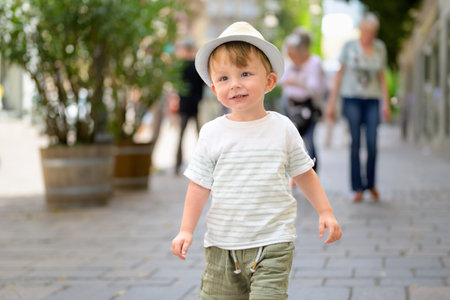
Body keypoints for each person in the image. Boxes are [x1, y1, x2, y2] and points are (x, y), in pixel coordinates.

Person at [171, 21, 342, 300]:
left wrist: (325, 211)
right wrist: (186, 230)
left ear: (269, 81)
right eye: (224, 78)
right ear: (214, 89)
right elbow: (199, 185)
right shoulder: (212, 133)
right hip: (222, 247)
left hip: (273, 242)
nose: (235, 84)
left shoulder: (283, 128)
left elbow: (304, 173)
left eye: (245, 73)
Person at [326, 13, 391, 203]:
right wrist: (332, 103)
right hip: (351, 99)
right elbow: (338, 75)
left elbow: (382, 77)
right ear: (360, 30)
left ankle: (371, 184)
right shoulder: (349, 47)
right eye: (366, 30)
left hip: (372, 100)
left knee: (372, 142)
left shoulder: (380, 48)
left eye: (372, 32)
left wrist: (385, 103)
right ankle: (357, 188)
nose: (368, 34)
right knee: (355, 142)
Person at [280, 28, 328, 172]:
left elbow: (316, 88)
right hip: (290, 105)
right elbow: (281, 79)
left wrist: (297, 82)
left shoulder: (314, 63)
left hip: (308, 107)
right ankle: (293, 176)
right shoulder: (291, 63)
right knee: (290, 143)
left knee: (309, 142)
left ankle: (312, 176)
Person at [175, 37, 205, 175]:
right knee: (200, 136)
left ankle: (177, 165)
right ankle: (203, 165)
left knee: (182, 136)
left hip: (185, 105)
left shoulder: (180, 66)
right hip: (195, 104)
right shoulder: (197, 66)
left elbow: (177, 85)